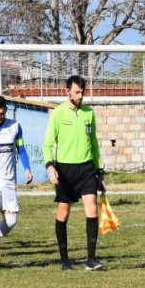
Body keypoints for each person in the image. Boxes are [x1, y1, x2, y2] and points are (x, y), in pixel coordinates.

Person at [42, 75, 105, 272]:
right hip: (65, 170)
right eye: (77, 92)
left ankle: (91, 259)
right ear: (67, 91)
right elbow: (47, 144)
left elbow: (93, 144)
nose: (80, 96)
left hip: (86, 168)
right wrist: (50, 166)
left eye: (82, 92)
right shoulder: (58, 113)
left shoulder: (89, 114)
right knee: (63, 212)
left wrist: (99, 169)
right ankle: (64, 260)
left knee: (92, 209)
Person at [0, 96, 33, 267]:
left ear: (6, 111)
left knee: (11, 220)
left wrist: (27, 168)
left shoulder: (15, 127)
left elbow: (21, 148)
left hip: (8, 180)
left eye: (2, 113)